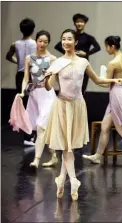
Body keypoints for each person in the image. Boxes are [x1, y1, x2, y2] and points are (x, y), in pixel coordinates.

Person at [44, 29, 122, 201]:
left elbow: (97, 80)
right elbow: (48, 87)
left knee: (70, 146)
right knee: (67, 146)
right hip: (62, 105)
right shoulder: (57, 62)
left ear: (76, 43)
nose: (66, 42)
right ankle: (73, 180)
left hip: (78, 105)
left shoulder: (83, 62)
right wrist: (46, 78)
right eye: (63, 39)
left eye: (69, 39)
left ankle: (61, 179)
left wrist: (114, 80)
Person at [82, 36, 122, 166]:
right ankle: (98, 156)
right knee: (105, 126)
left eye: (106, 47)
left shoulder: (113, 63)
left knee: (120, 128)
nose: (106, 50)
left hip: (116, 94)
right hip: (120, 91)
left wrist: (100, 78)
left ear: (111, 46)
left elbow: (106, 84)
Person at [17, 30, 59, 168]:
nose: (42, 44)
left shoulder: (52, 59)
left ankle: (36, 159)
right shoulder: (29, 58)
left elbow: (53, 82)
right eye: (40, 41)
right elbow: (26, 78)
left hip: (47, 95)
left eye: (45, 42)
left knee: (41, 127)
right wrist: (22, 92)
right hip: (34, 95)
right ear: (36, 41)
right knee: (41, 128)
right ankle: (53, 156)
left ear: (48, 43)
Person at [6, 18, 37, 146]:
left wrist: (19, 62)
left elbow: (8, 56)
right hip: (32, 75)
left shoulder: (15, 44)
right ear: (33, 30)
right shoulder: (36, 44)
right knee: (33, 104)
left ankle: (27, 135)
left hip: (20, 75)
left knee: (23, 104)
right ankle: (31, 135)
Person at [54, 13, 101, 95]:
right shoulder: (72, 36)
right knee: (69, 87)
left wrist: (86, 53)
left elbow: (97, 47)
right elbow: (58, 46)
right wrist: (70, 52)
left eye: (81, 22)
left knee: (82, 89)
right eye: (77, 22)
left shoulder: (88, 37)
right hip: (70, 63)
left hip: (83, 65)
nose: (79, 24)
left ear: (85, 23)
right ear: (74, 23)